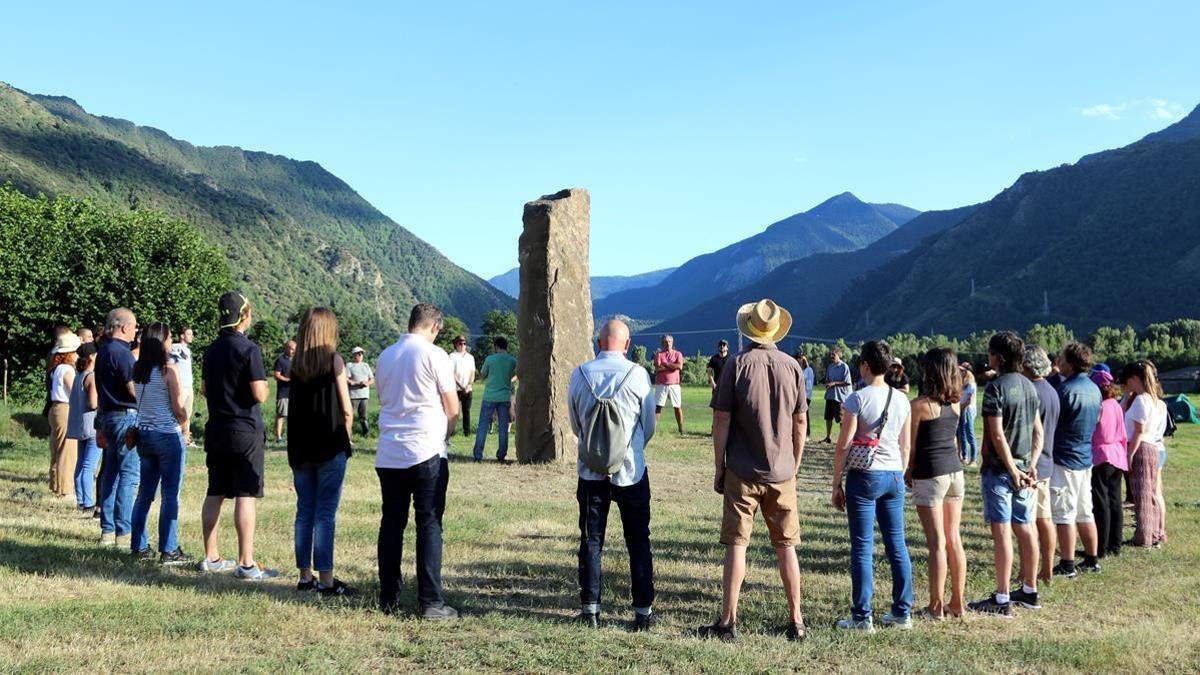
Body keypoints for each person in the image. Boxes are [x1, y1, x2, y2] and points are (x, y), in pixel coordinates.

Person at [700, 299, 807, 643]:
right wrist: (796, 463)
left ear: (747, 330)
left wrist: (720, 466)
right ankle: (797, 619)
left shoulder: (737, 364)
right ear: (775, 329)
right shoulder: (792, 366)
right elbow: (800, 420)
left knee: (737, 545)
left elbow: (721, 418)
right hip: (782, 472)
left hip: (742, 471)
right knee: (786, 546)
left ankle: (728, 621)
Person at [568, 319, 658, 631]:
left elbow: (575, 423)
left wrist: (596, 451)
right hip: (631, 470)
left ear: (598, 342)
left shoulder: (579, 374)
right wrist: (629, 449)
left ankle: (590, 611)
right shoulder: (638, 375)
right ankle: (643, 613)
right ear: (628, 343)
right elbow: (649, 426)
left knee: (591, 540)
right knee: (638, 540)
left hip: (591, 471)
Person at [375, 302, 460, 620]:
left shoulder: (385, 355)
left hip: (389, 452)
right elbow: (451, 408)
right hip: (425, 450)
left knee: (391, 524)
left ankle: (388, 596)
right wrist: (445, 436)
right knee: (429, 524)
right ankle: (431, 602)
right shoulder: (434, 355)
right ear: (435, 327)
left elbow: (385, 398)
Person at [832, 340, 914, 632]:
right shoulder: (902, 399)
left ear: (864, 365)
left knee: (863, 547)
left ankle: (861, 616)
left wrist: (836, 482)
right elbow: (906, 444)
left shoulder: (857, 398)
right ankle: (903, 611)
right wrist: (900, 473)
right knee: (897, 544)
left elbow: (843, 445)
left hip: (864, 475)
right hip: (894, 474)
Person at [199, 291, 277, 580]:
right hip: (244, 428)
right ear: (244, 316)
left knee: (215, 491)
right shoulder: (249, 349)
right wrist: (265, 389)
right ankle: (246, 563)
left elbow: (206, 390)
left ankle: (211, 557)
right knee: (246, 494)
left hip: (216, 427)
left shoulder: (210, 350)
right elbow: (258, 394)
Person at [967, 331, 1044, 617]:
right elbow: (1039, 431)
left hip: (1001, 471)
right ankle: (1029, 589)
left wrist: (1012, 470)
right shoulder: (1031, 386)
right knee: (1025, 529)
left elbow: (996, 435)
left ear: (997, 358)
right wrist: (1030, 465)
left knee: (1002, 533)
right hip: (1025, 470)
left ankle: (1001, 598)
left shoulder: (996, 388)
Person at [288, 308, 355, 596]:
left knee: (304, 512)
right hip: (330, 445)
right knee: (325, 514)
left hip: (300, 448)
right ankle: (327, 579)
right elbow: (346, 409)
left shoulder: (295, 364)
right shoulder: (334, 361)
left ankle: (305, 576)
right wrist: (347, 439)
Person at [906, 347, 965, 620]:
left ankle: (935, 606)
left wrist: (908, 471)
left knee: (936, 543)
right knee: (954, 539)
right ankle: (957, 602)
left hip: (931, 474)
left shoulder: (919, 406)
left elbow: (911, 447)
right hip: (955, 473)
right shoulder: (955, 403)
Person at [129, 323, 191, 566]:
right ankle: (169, 549)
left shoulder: (138, 369)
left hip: (144, 435)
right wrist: (186, 414)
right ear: (162, 341)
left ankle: (139, 545)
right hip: (167, 435)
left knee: (144, 493)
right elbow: (177, 409)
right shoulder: (169, 370)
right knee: (170, 495)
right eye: (169, 338)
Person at [1050, 342, 1102, 578]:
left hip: (1064, 457)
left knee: (1064, 513)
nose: (1058, 361)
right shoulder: (1094, 389)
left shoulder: (1064, 391)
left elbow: (1052, 423)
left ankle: (1067, 563)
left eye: (1061, 358)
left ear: (1070, 362)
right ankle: (1092, 559)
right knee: (1085, 511)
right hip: (1085, 457)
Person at [96, 308, 142, 547]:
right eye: (134, 326)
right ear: (124, 327)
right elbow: (132, 388)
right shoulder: (123, 355)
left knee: (111, 474)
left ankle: (107, 530)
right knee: (129, 475)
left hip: (108, 417)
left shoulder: (103, 352)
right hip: (126, 417)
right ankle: (124, 533)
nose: (136, 331)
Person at [1022, 346, 1059, 584]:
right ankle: (1046, 568)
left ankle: (1033, 571)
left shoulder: (1030, 392)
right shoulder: (1051, 391)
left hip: (1033, 464)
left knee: (1031, 522)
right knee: (1044, 519)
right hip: (1047, 461)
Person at [1121, 361, 1166, 548]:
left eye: (1128, 380)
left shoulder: (1141, 400)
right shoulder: (1157, 401)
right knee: (1152, 493)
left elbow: (1139, 430)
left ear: (1134, 379)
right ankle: (1156, 532)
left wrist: (1130, 454)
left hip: (1140, 447)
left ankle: (1143, 537)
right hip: (1153, 447)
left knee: (1142, 494)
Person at [1089, 369, 1127, 558]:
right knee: (1115, 501)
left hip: (1101, 455)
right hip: (1117, 454)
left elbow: (1096, 432)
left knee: (1101, 503)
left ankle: (1100, 548)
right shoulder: (1116, 404)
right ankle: (1115, 544)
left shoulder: (1100, 406)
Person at [47, 332, 81, 500]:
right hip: (65, 409)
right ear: (69, 353)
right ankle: (66, 489)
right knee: (68, 450)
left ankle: (56, 484)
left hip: (56, 409)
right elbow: (74, 391)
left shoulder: (56, 368)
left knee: (57, 448)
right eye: (76, 351)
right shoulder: (67, 370)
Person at [472, 337, 517, 462]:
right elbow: (519, 373)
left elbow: (482, 374)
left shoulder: (490, 359)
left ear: (496, 347)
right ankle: (501, 455)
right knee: (503, 428)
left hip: (489, 396)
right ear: (506, 346)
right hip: (504, 397)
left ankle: (478, 455)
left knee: (483, 426)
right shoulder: (512, 360)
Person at [68, 342, 101, 513]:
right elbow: (93, 403)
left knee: (81, 463)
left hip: (80, 425)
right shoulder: (92, 376)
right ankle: (88, 502)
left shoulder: (78, 376)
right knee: (90, 465)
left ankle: (81, 499)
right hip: (93, 426)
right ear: (92, 357)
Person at [169, 326, 197, 447]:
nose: (191, 336)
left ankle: (186, 439)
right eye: (189, 334)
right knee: (178, 412)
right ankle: (176, 437)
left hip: (189, 386)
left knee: (187, 414)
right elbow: (169, 365)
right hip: (180, 387)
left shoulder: (188, 351)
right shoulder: (175, 348)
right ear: (182, 335)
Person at [653, 335, 685, 434]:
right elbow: (658, 369)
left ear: (672, 342)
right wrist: (672, 366)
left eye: (669, 341)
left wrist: (665, 364)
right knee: (658, 407)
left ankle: (681, 429)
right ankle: (652, 429)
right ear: (662, 343)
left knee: (677, 406)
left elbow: (679, 366)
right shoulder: (659, 355)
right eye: (665, 342)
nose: (668, 344)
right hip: (661, 384)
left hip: (674, 384)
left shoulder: (678, 354)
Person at [822, 348, 853, 444]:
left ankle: (842, 439)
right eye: (830, 355)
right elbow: (827, 379)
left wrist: (834, 383)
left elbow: (847, 382)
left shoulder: (844, 367)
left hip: (840, 397)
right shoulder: (830, 366)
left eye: (833, 355)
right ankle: (828, 437)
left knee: (841, 419)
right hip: (830, 395)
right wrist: (827, 383)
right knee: (828, 417)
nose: (831, 357)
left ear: (839, 355)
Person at [448, 335, 477, 436]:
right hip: (455, 388)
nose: (462, 345)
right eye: (460, 343)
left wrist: (469, 385)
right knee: (454, 412)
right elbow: (451, 373)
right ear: (455, 344)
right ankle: (451, 432)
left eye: (464, 343)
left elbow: (472, 372)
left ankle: (467, 432)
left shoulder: (470, 357)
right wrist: (461, 386)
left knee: (466, 411)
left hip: (468, 388)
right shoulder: (452, 356)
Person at [346, 347, 375, 437]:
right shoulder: (349, 365)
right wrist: (358, 383)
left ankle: (366, 434)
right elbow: (347, 379)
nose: (360, 355)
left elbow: (372, 379)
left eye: (361, 354)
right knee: (349, 415)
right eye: (358, 354)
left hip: (364, 395)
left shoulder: (366, 365)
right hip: (353, 395)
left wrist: (367, 383)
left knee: (363, 416)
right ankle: (348, 434)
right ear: (353, 355)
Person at [273, 340, 296, 444]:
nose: (293, 351)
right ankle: (279, 438)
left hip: (295, 393)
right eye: (291, 349)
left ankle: (291, 436)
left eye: (295, 349)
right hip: (283, 393)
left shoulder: (296, 360)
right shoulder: (280, 360)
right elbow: (276, 375)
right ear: (286, 348)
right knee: (281, 415)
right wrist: (288, 380)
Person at [958, 364, 979, 465]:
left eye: (962, 371)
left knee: (970, 434)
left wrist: (960, 408)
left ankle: (974, 459)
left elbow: (969, 401)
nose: (959, 372)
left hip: (968, 411)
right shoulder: (962, 384)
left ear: (967, 372)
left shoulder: (971, 385)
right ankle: (964, 457)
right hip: (961, 409)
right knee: (962, 435)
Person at [706, 339, 730, 408]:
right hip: (716, 386)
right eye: (720, 345)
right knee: (716, 407)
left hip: (728, 386)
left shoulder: (731, 358)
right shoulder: (714, 359)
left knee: (728, 407)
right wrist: (713, 383)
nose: (722, 346)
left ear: (727, 348)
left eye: (724, 345)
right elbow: (709, 371)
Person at [798, 354, 815, 436]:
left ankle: (807, 433)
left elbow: (809, 384)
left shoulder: (809, 370)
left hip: (806, 395)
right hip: (799, 394)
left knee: (805, 413)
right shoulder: (800, 369)